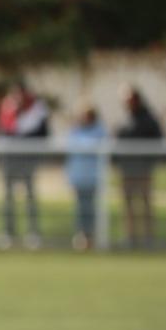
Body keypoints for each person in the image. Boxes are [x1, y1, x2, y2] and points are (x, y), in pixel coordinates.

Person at [0, 80, 50, 249]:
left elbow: (43, 134)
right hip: (10, 159)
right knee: (8, 198)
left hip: (28, 159)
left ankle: (33, 232)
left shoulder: (37, 109)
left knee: (30, 197)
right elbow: (3, 131)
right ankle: (8, 232)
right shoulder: (7, 108)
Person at [115, 85, 163, 249]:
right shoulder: (126, 120)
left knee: (145, 204)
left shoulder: (148, 119)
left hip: (143, 170)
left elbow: (157, 141)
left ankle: (149, 238)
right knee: (128, 205)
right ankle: (130, 237)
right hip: (127, 170)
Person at [65, 104, 106, 251]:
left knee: (90, 208)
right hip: (79, 177)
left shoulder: (99, 131)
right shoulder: (75, 131)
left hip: (92, 177)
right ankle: (81, 236)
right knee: (80, 208)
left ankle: (91, 236)